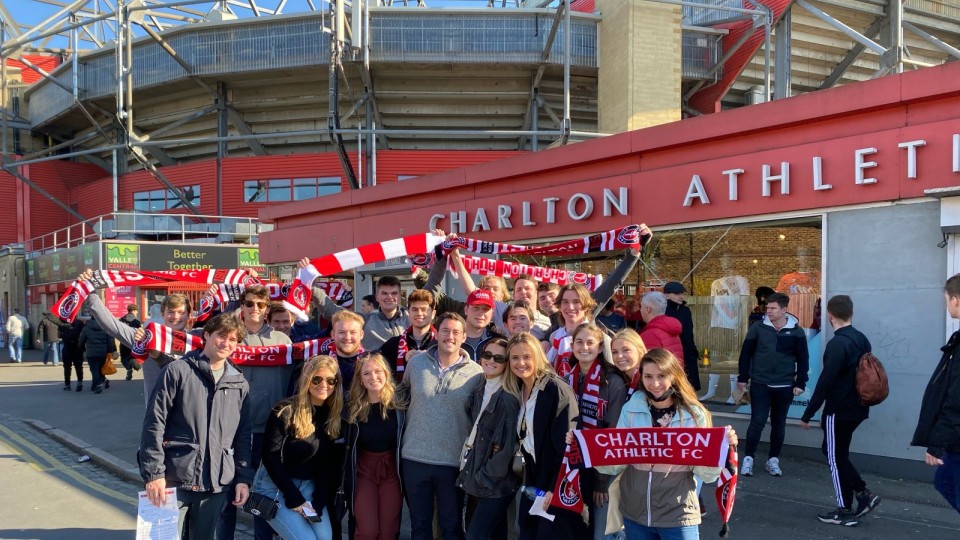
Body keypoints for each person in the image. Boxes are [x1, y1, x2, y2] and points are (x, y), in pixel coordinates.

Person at [593, 348, 738, 540]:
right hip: (635, 514)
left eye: (662, 376)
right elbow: (616, 464)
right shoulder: (631, 409)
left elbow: (708, 476)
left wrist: (721, 449)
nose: (655, 384)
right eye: (648, 376)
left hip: (678, 515)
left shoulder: (694, 414)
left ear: (674, 376)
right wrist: (588, 449)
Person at [139, 313, 252, 540]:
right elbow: (154, 423)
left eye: (233, 339)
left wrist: (243, 478)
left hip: (216, 483)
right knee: (160, 538)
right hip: (173, 478)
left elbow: (242, 436)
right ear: (207, 335)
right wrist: (154, 474)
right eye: (221, 336)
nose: (226, 343)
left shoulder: (239, 383)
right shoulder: (177, 371)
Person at [219, 284, 294, 540]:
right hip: (230, 431)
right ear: (242, 306)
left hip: (268, 432)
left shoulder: (282, 341)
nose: (255, 309)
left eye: (261, 305)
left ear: (266, 309)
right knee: (227, 498)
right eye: (250, 303)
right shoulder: (230, 338)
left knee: (262, 499)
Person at [400, 313, 483, 540]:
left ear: (464, 336)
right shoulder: (416, 364)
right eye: (445, 330)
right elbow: (400, 397)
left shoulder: (476, 373)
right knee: (419, 526)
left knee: (451, 526)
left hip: (453, 462)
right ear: (437, 333)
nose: (450, 336)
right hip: (414, 458)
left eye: (456, 332)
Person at [801, 295, 881, 526]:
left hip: (839, 409)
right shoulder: (860, 339)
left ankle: (844, 510)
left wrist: (808, 413)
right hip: (858, 406)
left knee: (835, 458)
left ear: (829, 315)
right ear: (851, 314)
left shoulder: (837, 344)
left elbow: (826, 381)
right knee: (834, 452)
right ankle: (863, 494)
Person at [501, 332, 584, 540]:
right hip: (531, 477)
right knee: (527, 531)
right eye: (515, 358)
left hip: (553, 482)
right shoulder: (517, 388)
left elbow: (568, 447)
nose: (521, 363)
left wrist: (554, 488)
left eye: (527, 357)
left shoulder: (556, 390)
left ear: (538, 356)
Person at [251, 355, 343, 540]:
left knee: (325, 538)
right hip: (274, 486)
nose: (323, 384)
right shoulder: (285, 410)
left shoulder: (333, 415)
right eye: (317, 379)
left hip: (308, 485)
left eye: (330, 380)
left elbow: (326, 463)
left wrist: (318, 500)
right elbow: (271, 458)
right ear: (307, 379)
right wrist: (294, 497)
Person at [737, 292, 809, 477]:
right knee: (757, 422)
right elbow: (746, 354)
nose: (768, 311)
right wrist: (743, 378)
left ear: (784, 309)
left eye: (772, 308)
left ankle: (773, 460)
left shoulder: (796, 331)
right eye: (767, 308)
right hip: (761, 383)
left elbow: (803, 359)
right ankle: (748, 459)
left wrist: (800, 382)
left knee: (779, 424)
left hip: (785, 386)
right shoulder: (758, 328)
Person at [456, 337, 521, 540]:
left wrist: (484, 477)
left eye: (499, 358)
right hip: (479, 474)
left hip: (494, 482)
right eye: (487, 355)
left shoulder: (507, 397)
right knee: (494, 534)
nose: (491, 360)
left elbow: (506, 449)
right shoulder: (481, 386)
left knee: (476, 535)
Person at [568, 323, 627, 540]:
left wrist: (601, 481)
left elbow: (612, 433)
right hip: (575, 463)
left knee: (600, 530)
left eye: (590, 342)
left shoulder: (613, 381)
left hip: (604, 467)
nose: (584, 347)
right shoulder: (568, 377)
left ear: (601, 348)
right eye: (579, 342)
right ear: (572, 345)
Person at [344, 354, 406, 540]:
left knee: (388, 532)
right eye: (367, 373)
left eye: (378, 371)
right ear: (360, 379)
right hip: (364, 471)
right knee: (368, 531)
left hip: (391, 471)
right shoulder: (351, 407)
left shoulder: (400, 404)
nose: (373, 377)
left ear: (386, 373)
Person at [912, 274, 960, 514]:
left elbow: (957, 399)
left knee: (946, 482)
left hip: (955, 440)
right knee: (945, 481)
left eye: (946, 299)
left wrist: (937, 443)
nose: (946, 305)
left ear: (956, 300)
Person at [302, 256, 409, 351]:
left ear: (400, 296)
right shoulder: (365, 320)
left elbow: (425, 296)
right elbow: (331, 310)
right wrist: (309, 279)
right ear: (377, 297)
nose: (389, 297)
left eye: (394, 293)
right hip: (376, 372)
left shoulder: (411, 317)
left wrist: (421, 269)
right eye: (384, 293)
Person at [379, 289, 437, 380]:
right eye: (414, 309)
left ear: (433, 314)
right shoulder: (393, 344)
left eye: (424, 309)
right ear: (408, 312)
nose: (419, 313)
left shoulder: (440, 344)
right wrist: (404, 360)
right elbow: (380, 372)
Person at [663, 282, 700, 391]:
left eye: (682, 293)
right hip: (671, 355)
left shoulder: (685, 311)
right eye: (676, 293)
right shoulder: (663, 311)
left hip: (688, 353)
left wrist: (693, 352)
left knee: (689, 389)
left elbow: (689, 334)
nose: (681, 296)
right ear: (666, 295)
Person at [78, 308, 116, 394]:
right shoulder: (105, 327)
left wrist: (82, 349)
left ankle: (97, 384)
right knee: (100, 368)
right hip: (103, 352)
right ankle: (100, 382)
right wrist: (110, 350)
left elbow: (81, 340)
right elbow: (110, 339)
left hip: (91, 353)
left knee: (94, 369)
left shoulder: (86, 327)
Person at [637, 292, 683, 361]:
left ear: (647, 309)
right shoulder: (671, 328)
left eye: (641, 307)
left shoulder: (650, 334)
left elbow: (647, 365)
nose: (640, 310)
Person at [610, 328, 649, 397]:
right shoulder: (620, 379)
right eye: (615, 352)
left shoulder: (648, 379)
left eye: (626, 350)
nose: (619, 356)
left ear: (640, 350)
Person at [61, 315, 86, 391]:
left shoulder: (63, 324)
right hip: (77, 347)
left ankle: (67, 384)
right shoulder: (80, 323)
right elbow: (83, 334)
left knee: (67, 367)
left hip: (67, 348)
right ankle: (79, 382)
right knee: (78, 366)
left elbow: (59, 335)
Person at [117, 304, 142, 380]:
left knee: (123, 358)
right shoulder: (136, 321)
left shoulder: (121, 320)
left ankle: (128, 369)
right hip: (133, 342)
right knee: (132, 356)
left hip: (123, 342)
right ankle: (135, 365)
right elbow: (140, 332)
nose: (137, 313)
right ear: (134, 310)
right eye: (136, 311)